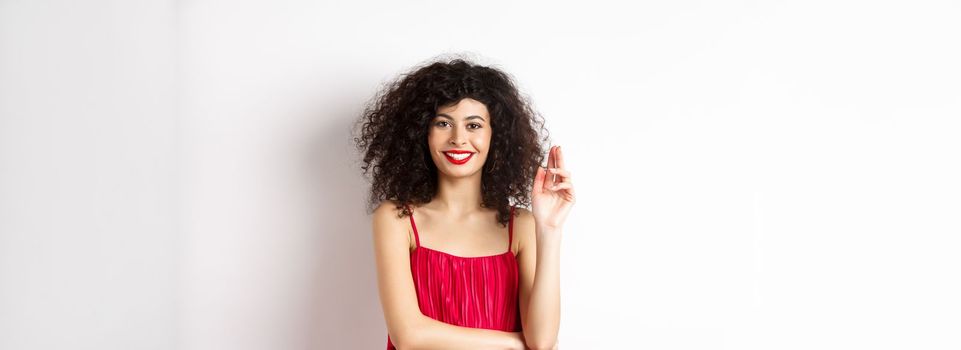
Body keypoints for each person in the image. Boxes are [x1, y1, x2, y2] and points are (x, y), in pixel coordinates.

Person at [354, 56, 574, 350]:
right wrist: (515, 344)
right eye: (443, 123)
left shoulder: (519, 226)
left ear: (495, 136)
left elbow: (543, 340)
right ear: (422, 132)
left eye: (474, 125)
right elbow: (408, 337)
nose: (458, 138)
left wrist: (549, 229)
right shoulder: (397, 218)